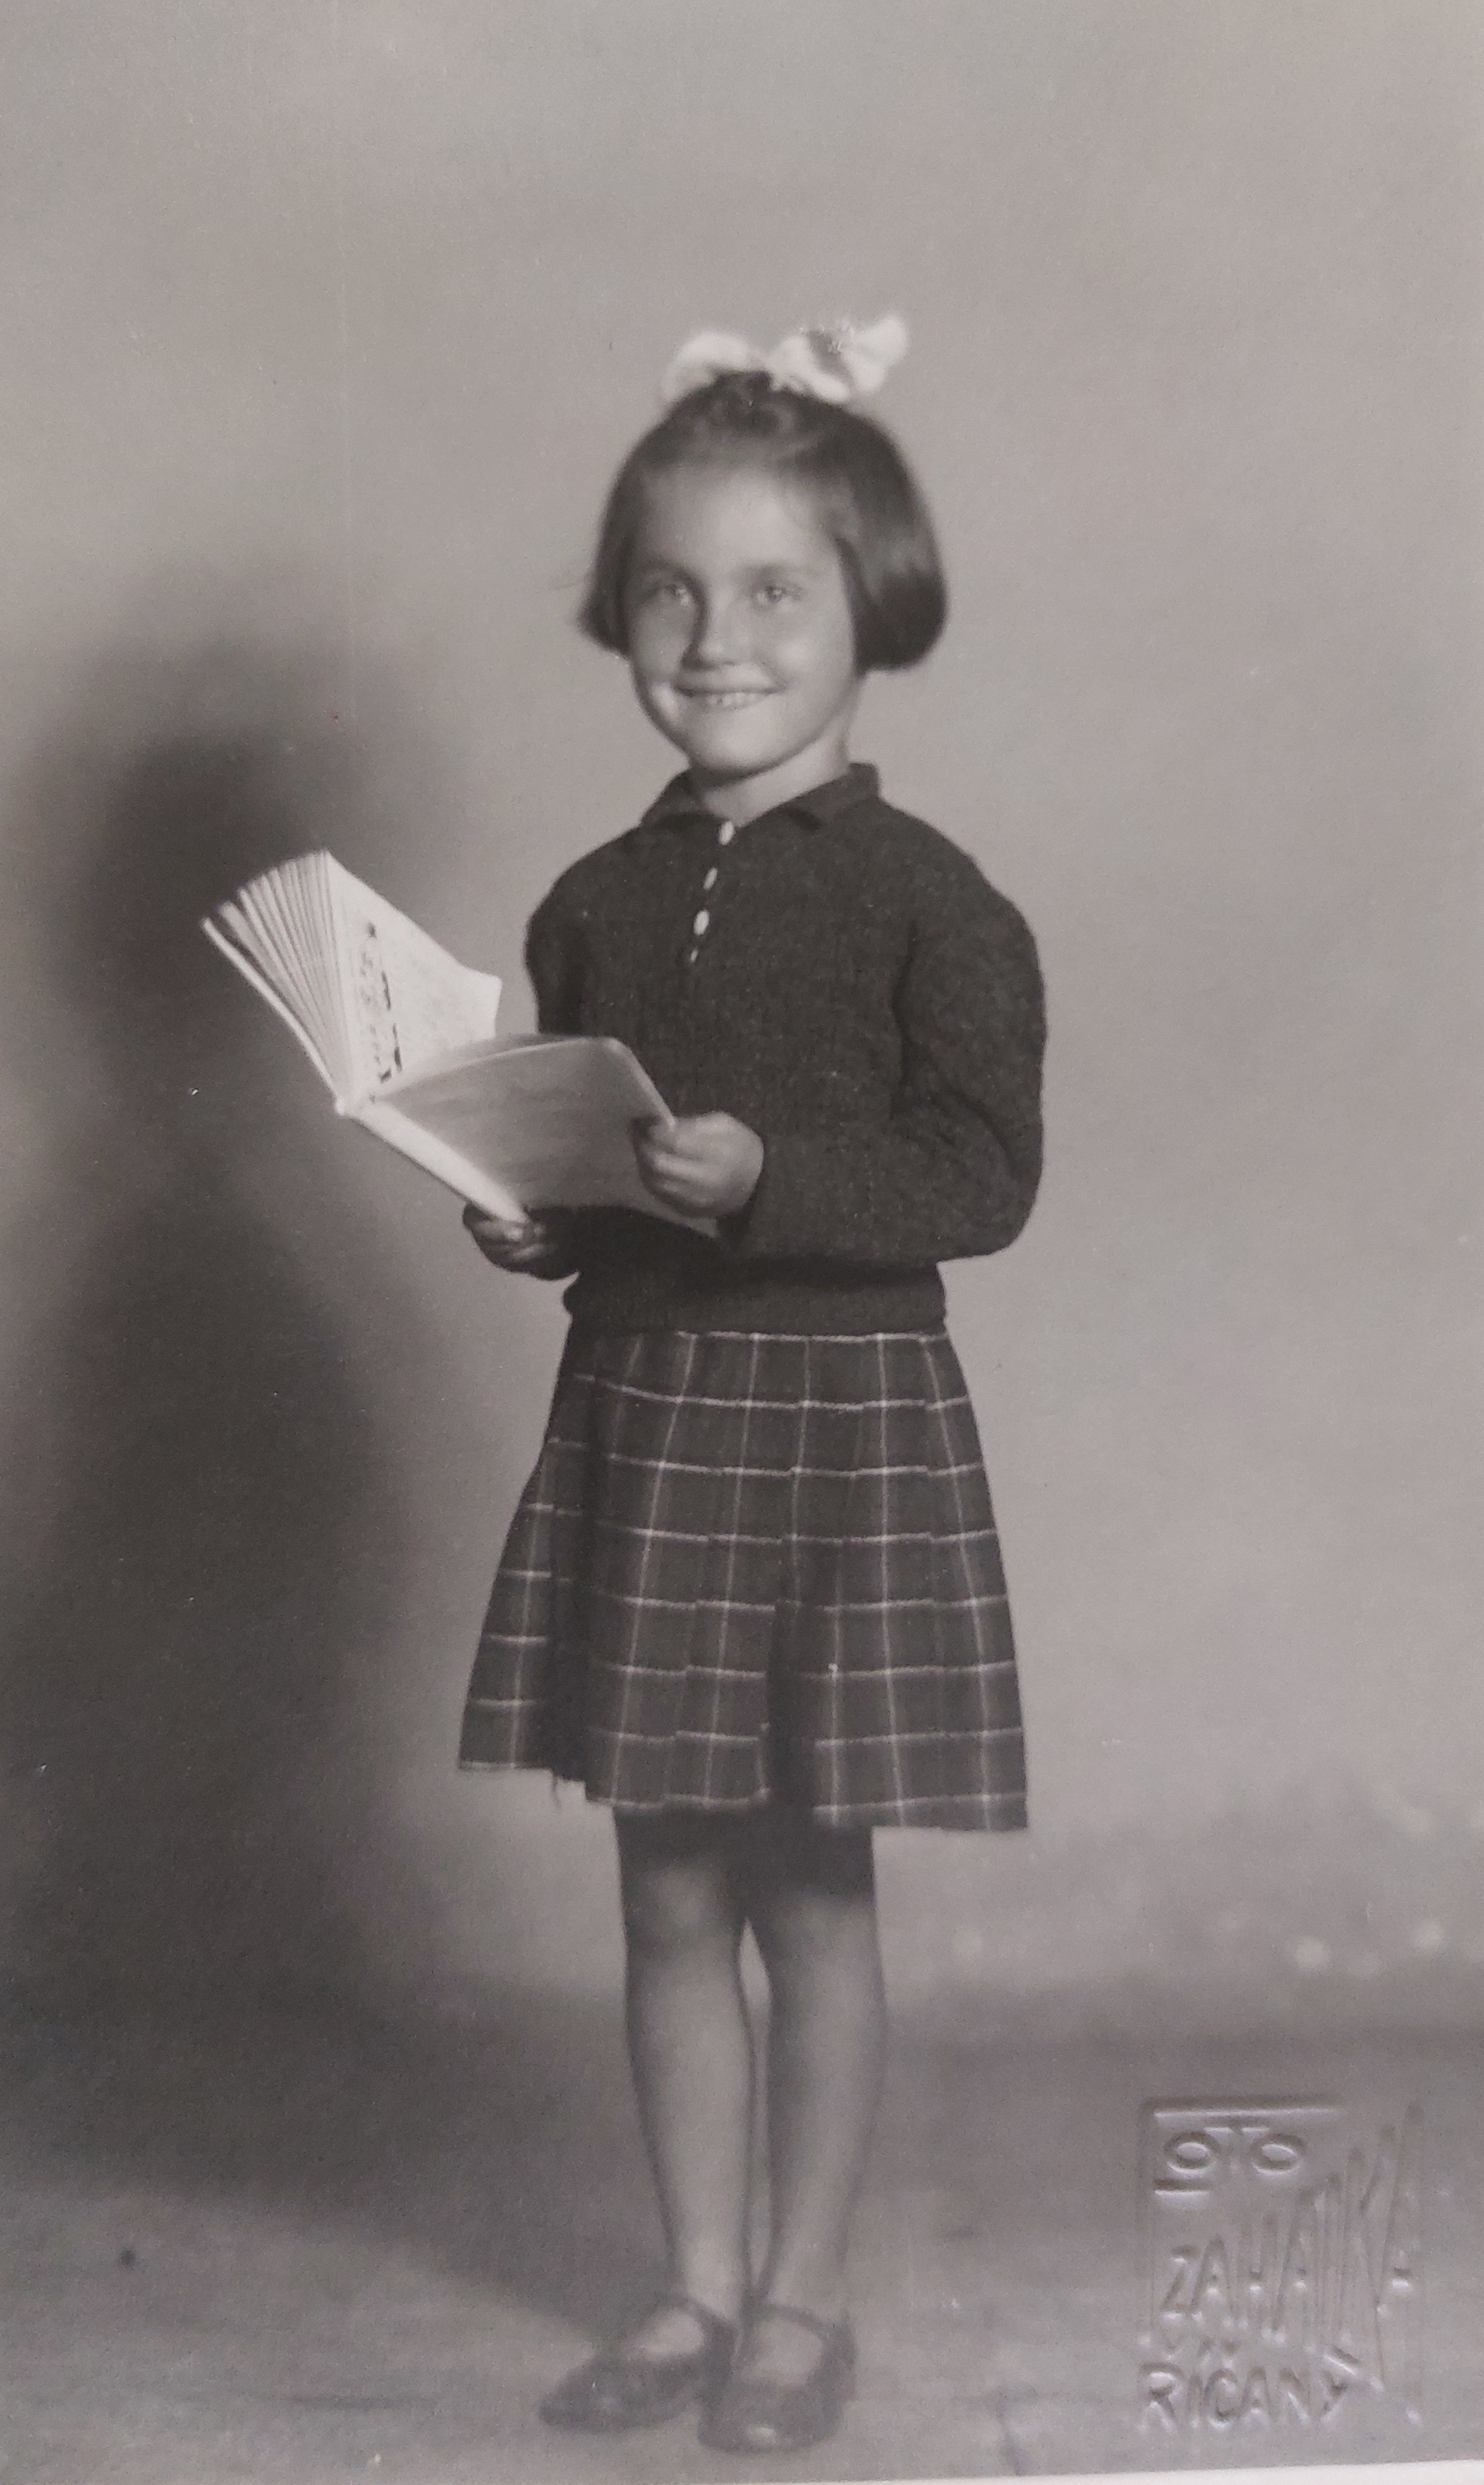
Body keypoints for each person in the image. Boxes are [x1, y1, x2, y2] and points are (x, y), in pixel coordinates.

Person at [457, 316, 1045, 2457]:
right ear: (622, 617)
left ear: (873, 604)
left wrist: (773, 1176)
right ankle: (694, 2286)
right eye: (670, 593)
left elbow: (983, 1178)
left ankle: (801, 2306)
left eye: (773, 590)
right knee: (665, 1887)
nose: (715, 643)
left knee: (808, 1890)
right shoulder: (591, 904)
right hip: (649, 1416)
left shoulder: (936, 904)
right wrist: (538, 1223)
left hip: (835, 1429)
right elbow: (598, 1181)